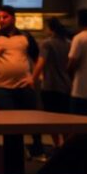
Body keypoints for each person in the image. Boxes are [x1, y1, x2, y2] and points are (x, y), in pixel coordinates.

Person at [0, 5, 44, 158]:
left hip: (24, 85)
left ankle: (38, 151)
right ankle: (13, 153)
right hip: (2, 88)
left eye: (4, 17)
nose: (1, 20)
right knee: (9, 124)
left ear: (13, 18)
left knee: (33, 120)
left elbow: (39, 59)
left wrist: (33, 77)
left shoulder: (25, 36)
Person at [33, 18, 72, 147]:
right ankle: (66, 146)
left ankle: (57, 146)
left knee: (51, 120)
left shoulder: (47, 43)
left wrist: (32, 78)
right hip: (66, 86)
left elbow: (40, 63)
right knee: (65, 119)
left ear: (50, 29)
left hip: (50, 86)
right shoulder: (68, 43)